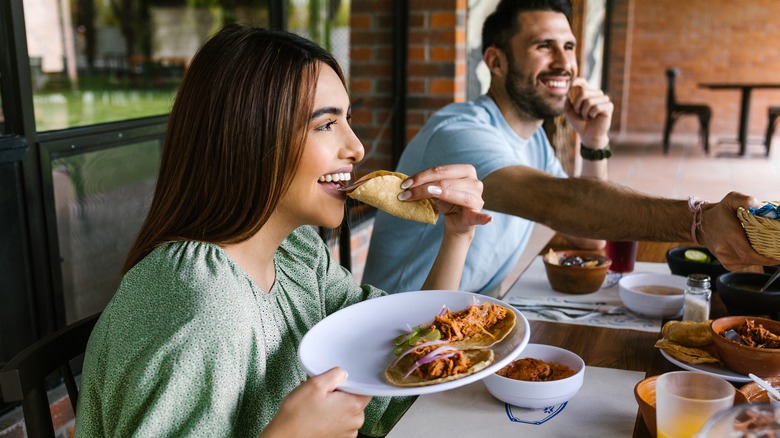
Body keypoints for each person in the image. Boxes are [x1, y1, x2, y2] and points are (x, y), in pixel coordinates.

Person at [74, 25, 490, 438]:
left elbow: (399, 369)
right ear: (249, 139)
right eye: (325, 125)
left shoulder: (296, 252)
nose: (358, 147)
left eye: (348, 118)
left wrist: (456, 236)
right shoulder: (198, 301)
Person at [363, 0, 778, 295]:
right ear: (496, 61)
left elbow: (586, 238)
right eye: (543, 46)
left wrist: (594, 144)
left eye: (569, 46)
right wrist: (698, 221)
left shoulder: (533, 140)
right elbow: (559, 204)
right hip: (402, 334)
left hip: (464, 326)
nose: (564, 63)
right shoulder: (460, 133)